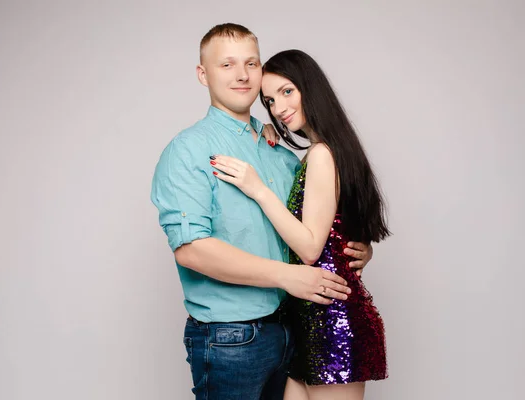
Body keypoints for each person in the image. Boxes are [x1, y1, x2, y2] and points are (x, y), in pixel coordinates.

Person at [150, 24, 374, 400]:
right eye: (227, 65)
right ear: (203, 74)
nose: (242, 75)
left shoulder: (281, 153)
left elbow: (314, 229)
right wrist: (288, 277)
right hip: (232, 339)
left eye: (251, 63)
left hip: (295, 329)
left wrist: (357, 247)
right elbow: (191, 249)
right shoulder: (188, 150)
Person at [210, 49, 391, 400]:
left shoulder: (323, 154)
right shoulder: (325, 150)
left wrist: (258, 189)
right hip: (307, 319)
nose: (278, 108)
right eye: (270, 100)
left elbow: (310, 248)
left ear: (310, 87)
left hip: (332, 320)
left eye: (287, 92)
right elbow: (338, 229)